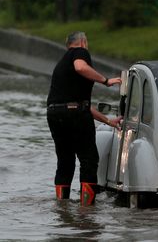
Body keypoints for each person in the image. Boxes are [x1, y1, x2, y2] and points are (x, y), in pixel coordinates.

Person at [47, 31, 122, 206]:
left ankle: (62, 207)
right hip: (74, 113)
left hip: (54, 114)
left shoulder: (60, 65)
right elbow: (80, 67)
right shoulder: (79, 52)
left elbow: (82, 106)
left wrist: (109, 121)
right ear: (82, 42)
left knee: (65, 161)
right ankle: (86, 211)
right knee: (89, 159)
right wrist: (106, 81)